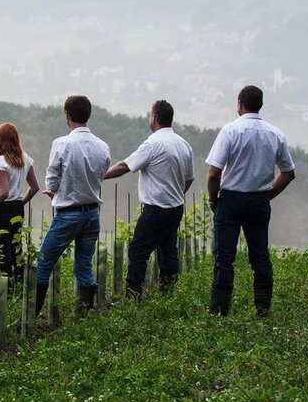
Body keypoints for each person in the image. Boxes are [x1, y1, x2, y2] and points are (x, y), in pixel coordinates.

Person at [205, 85, 296, 317]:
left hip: (231, 201)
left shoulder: (230, 131)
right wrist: (268, 194)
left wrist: (213, 200)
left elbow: (214, 173)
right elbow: (288, 173)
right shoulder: (275, 134)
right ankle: (263, 310)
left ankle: (219, 311)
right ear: (260, 105)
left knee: (224, 258)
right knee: (260, 257)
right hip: (259, 202)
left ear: (239, 103)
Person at [103, 100, 194, 299]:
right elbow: (190, 178)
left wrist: (99, 176)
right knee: (168, 250)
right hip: (175, 207)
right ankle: (167, 294)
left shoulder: (152, 144)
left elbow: (124, 166)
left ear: (154, 118)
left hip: (156, 209)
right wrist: (177, 193)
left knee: (138, 251)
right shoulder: (184, 144)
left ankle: (133, 295)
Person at [35, 95, 110, 317]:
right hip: (93, 214)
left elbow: (52, 178)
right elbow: (101, 174)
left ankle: (30, 317)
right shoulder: (102, 146)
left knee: (43, 264)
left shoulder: (62, 144)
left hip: (68, 214)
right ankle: (83, 317)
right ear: (89, 115)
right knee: (84, 268)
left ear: (67, 116)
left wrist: (54, 191)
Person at [0, 122, 39, 288]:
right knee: (16, 250)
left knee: (2, 252)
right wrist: (20, 202)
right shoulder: (26, 159)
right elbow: (35, 188)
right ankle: (20, 287)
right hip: (16, 209)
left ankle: (6, 290)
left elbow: (3, 192)